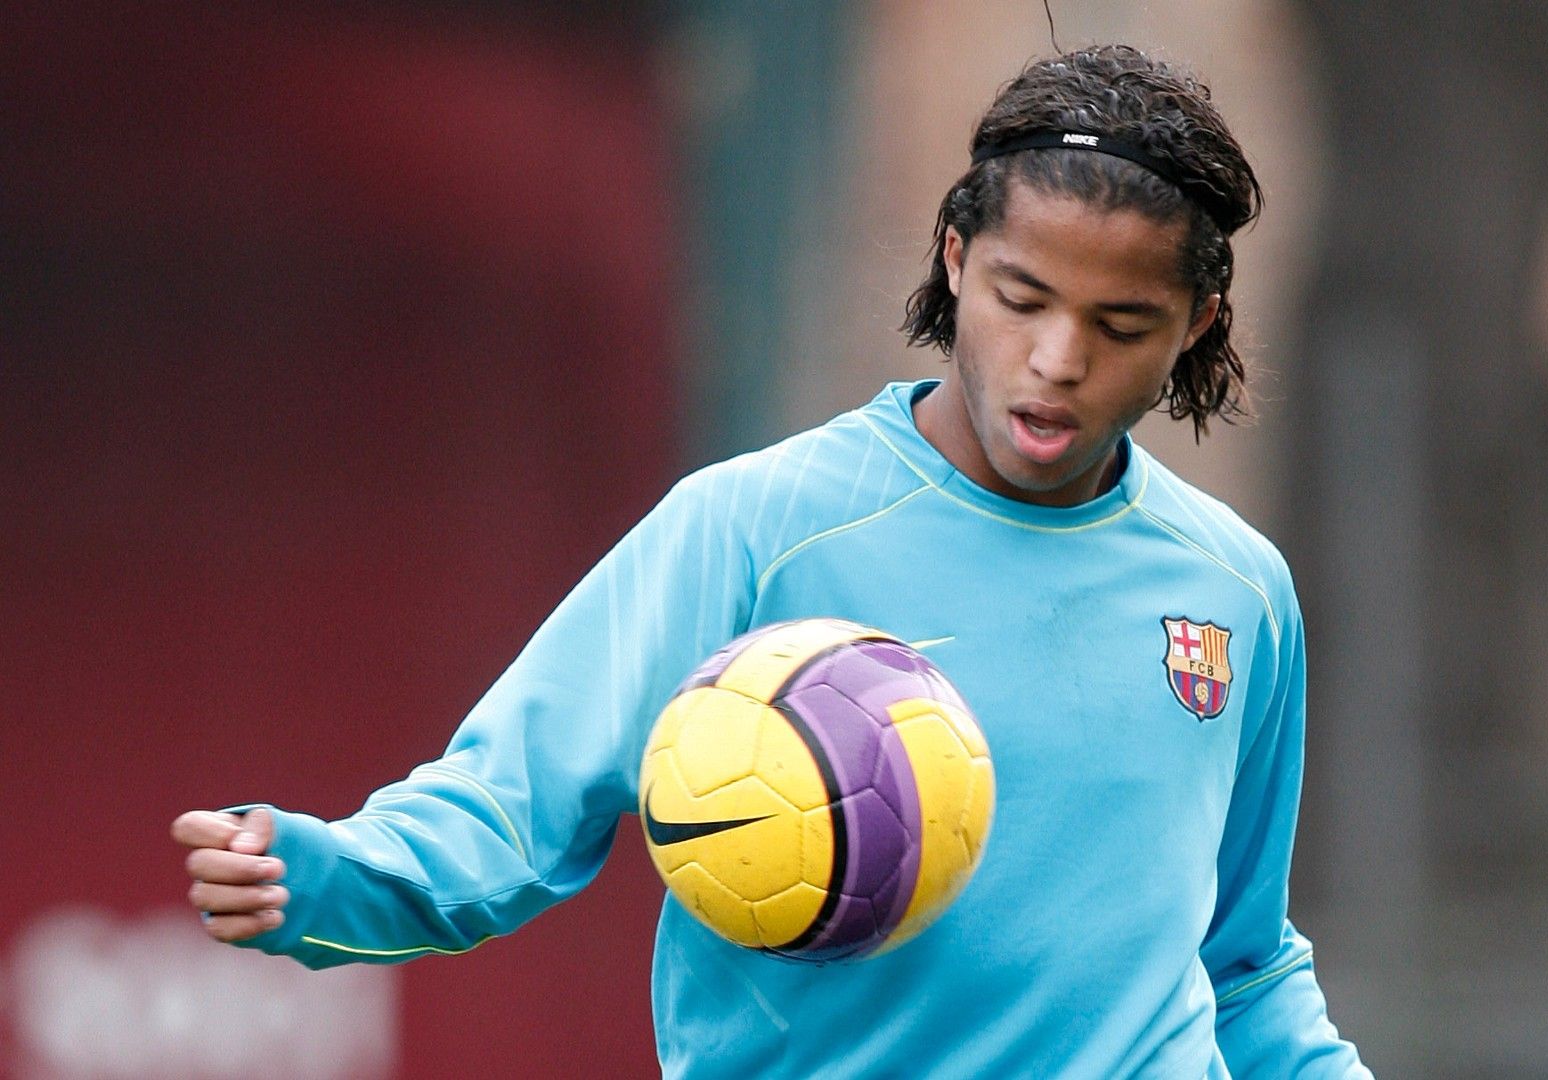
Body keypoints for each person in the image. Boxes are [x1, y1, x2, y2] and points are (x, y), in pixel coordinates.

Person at [173, 44, 1370, 1078]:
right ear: (956, 260)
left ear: (1195, 327)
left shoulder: (1233, 589)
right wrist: (327, 878)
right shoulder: (754, 527)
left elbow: (1243, 961)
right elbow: (510, 807)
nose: (1058, 358)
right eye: (1023, 297)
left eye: (1119, 327)